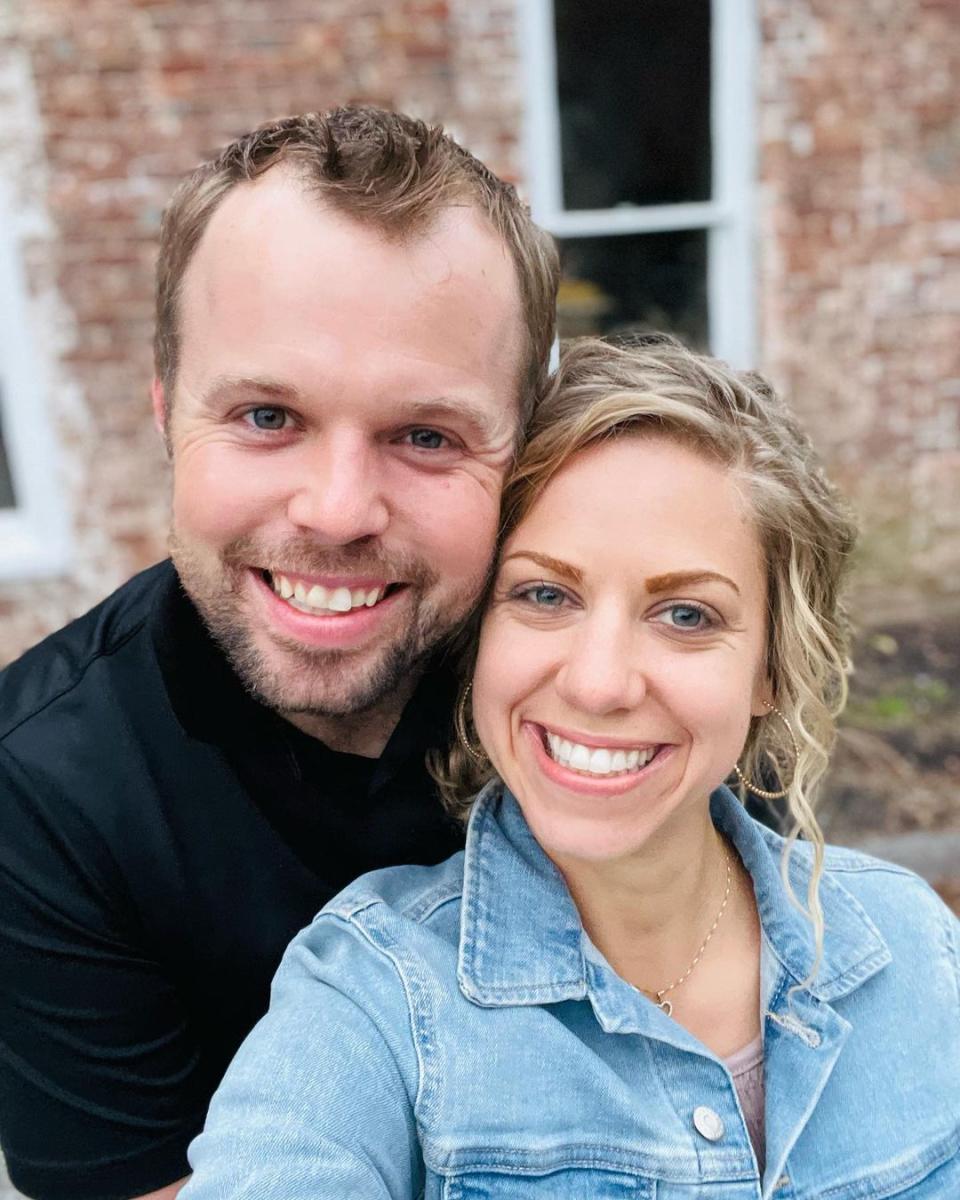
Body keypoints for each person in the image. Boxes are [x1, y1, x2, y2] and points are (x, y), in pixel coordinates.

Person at [182, 335, 960, 1198]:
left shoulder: (911, 943)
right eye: (545, 595)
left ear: (771, 669)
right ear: (482, 637)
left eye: (687, 615)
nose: (598, 683)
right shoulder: (374, 997)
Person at [0, 106, 560, 1200]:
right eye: (266, 416)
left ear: (522, 446)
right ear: (166, 411)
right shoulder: (45, 791)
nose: (340, 510)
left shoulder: (617, 698)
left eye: (426, 435)